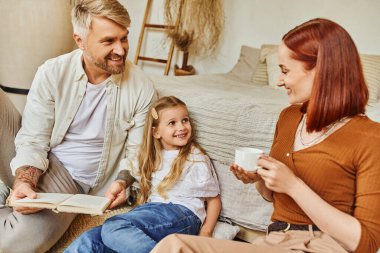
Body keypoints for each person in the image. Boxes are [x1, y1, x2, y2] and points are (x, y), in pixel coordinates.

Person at [150, 18, 380, 253]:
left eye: (285, 71)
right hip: (275, 240)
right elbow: (272, 196)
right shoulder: (289, 117)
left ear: (321, 71)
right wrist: (260, 178)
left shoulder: (370, 137)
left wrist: (293, 185)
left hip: (324, 245)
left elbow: (367, 244)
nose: (279, 81)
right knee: (174, 245)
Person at [0, 0, 156, 252]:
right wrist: (24, 182)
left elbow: (137, 153)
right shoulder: (52, 72)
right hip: (36, 155)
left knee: (14, 243)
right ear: (80, 40)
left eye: (124, 38)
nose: (121, 50)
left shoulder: (142, 88)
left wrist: (123, 183)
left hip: (72, 179)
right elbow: (33, 138)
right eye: (108, 41)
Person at [65, 96, 222, 253]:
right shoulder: (152, 156)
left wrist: (206, 232)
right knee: (91, 238)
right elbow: (130, 167)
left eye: (185, 120)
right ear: (156, 132)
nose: (181, 127)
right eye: (172, 123)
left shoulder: (195, 157)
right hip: (150, 211)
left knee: (114, 226)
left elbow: (214, 199)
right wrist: (120, 184)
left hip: (182, 214)